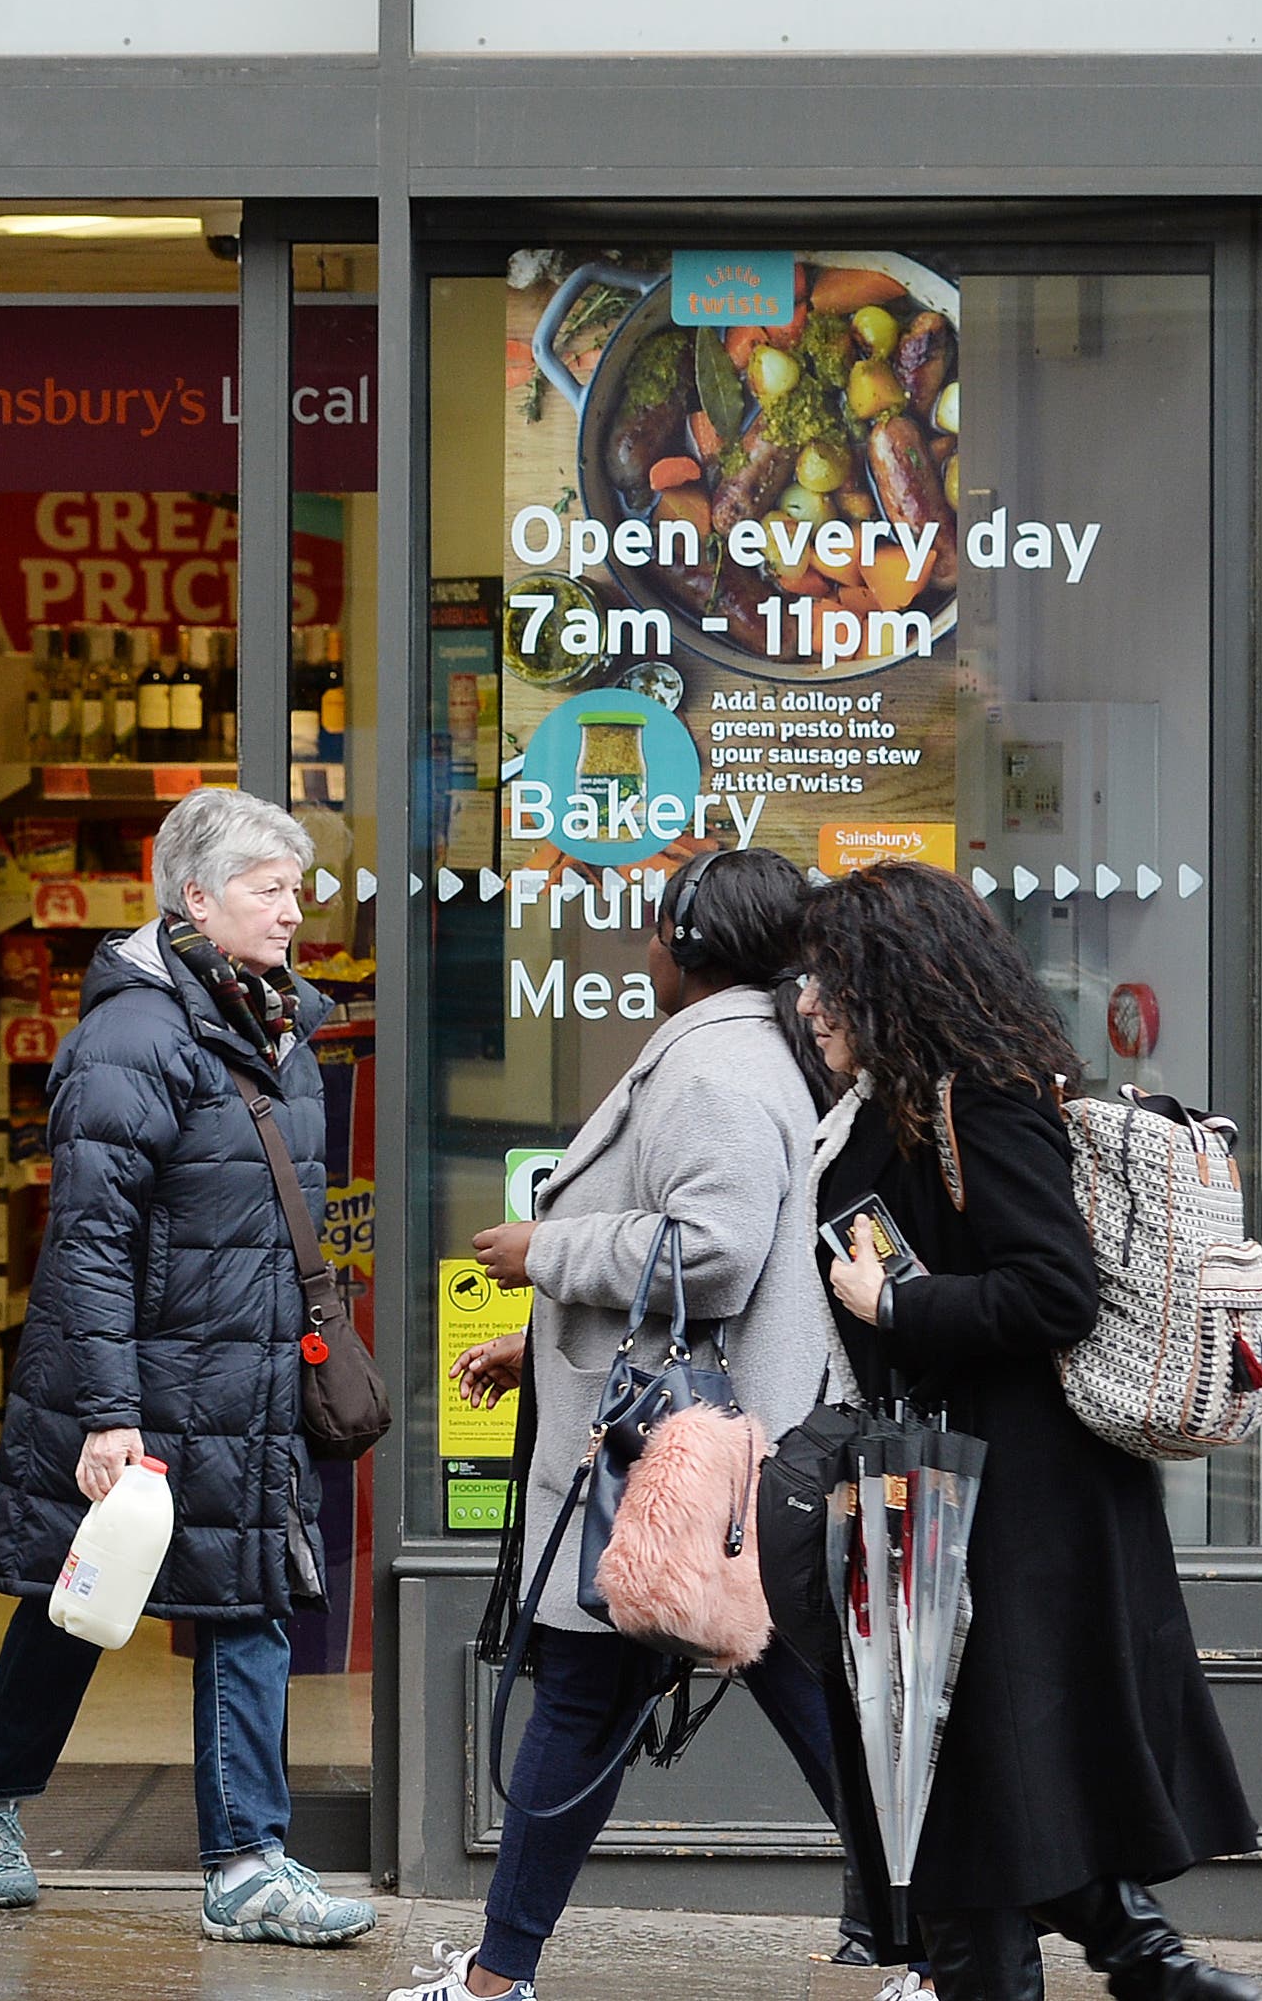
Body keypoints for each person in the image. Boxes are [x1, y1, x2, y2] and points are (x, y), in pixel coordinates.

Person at [799, 864, 1260, 2001]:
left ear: (888, 986)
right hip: (955, 1487)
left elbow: (1056, 1291)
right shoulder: (896, 1102)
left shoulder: (983, 1097)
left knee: (970, 1800)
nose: (808, 1006)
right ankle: (1151, 1964)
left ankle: (1147, 1962)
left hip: (1017, 1501)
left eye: (829, 984)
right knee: (986, 1794)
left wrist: (894, 1307)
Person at [392, 847, 846, 2001]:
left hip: (679, 1479)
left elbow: (716, 1249)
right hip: (691, 1461)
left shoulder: (717, 1071)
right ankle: (502, 1973)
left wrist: (547, 1255)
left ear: (689, 948)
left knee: (609, 1703)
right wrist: (537, 1349)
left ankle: (949, 1942)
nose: (642, 948)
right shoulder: (741, 1052)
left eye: (654, 928)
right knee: (624, 1704)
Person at [0, 785, 378, 1948]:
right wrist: (106, 1414)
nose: (294, 912)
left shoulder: (278, 1026)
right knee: (75, 1601)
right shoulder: (134, 1038)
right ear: (197, 896)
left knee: (248, 1603)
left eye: (298, 889)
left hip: (246, 1380)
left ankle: (246, 1864)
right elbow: (86, 1239)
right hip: (137, 1380)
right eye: (268, 890)